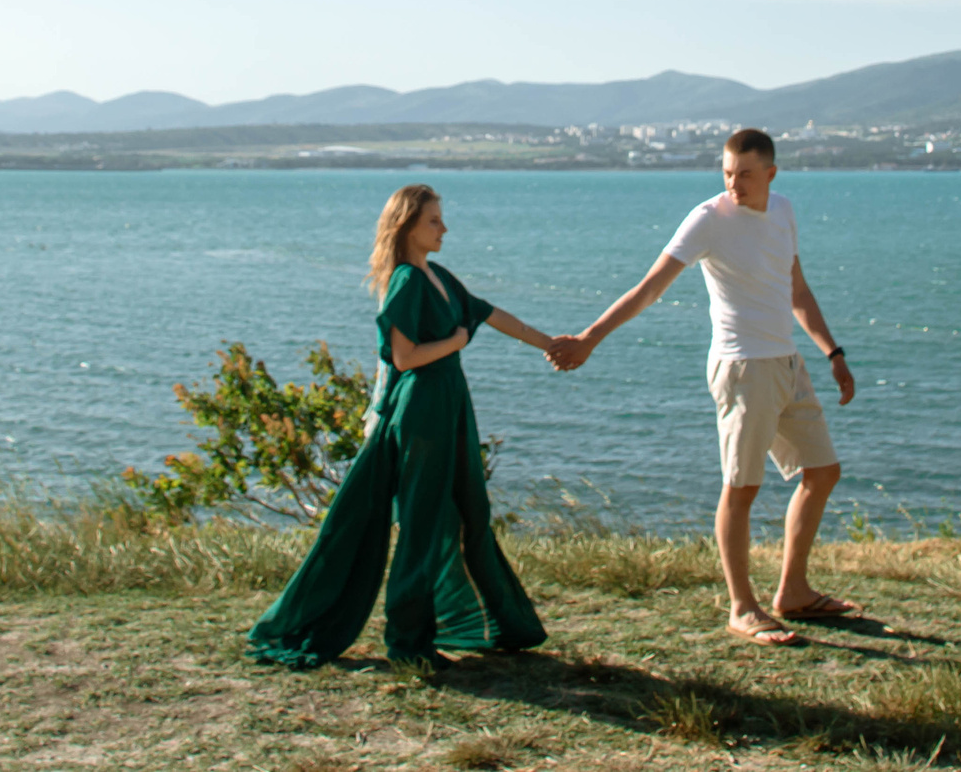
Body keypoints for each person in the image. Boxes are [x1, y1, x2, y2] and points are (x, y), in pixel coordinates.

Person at [549, 128, 856, 646]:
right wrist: (589, 338)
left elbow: (796, 289)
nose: (734, 184)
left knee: (823, 472)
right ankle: (742, 607)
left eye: (746, 175)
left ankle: (794, 592)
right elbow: (650, 288)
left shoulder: (782, 211)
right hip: (741, 369)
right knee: (742, 488)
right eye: (727, 173)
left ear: (771, 174)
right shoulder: (707, 219)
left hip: (785, 361)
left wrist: (833, 352)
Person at [249, 182, 557, 669]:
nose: (444, 228)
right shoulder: (407, 282)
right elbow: (405, 356)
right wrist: (456, 343)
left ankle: (486, 620)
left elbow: (492, 314)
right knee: (422, 520)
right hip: (421, 411)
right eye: (434, 220)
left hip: (449, 405)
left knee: (467, 510)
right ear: (407, 226)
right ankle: (409, 641)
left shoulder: (437, 276)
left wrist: (554, 344)